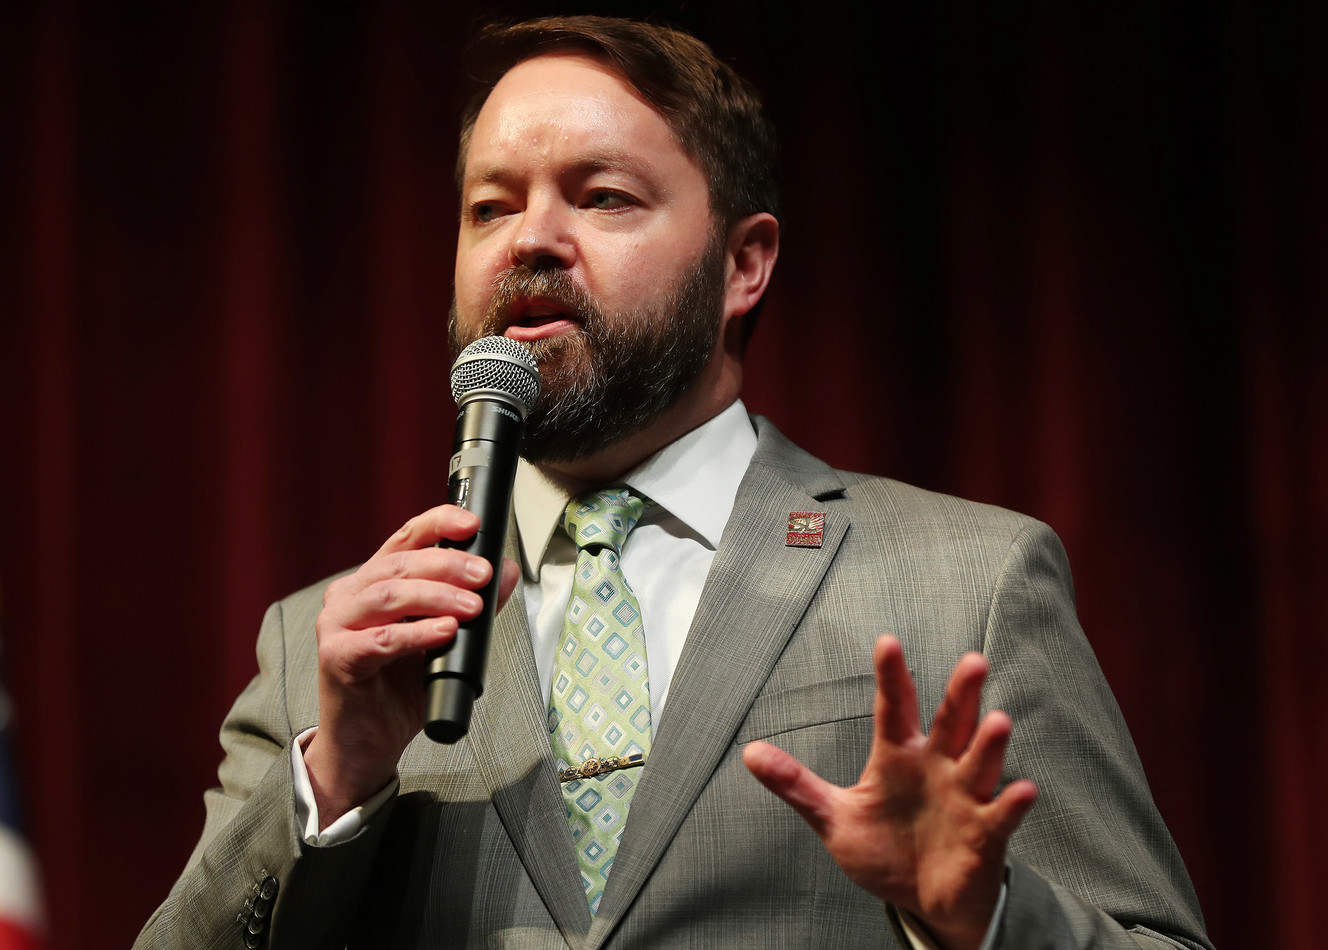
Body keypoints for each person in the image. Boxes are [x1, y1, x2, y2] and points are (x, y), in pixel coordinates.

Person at [136, 16, 1212, 950]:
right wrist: (337, 777)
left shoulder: (969, 578)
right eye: (488, 207)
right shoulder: (325, 653)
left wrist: (983, 913)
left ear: (744, 264)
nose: (532, 239)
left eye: (601, 197)